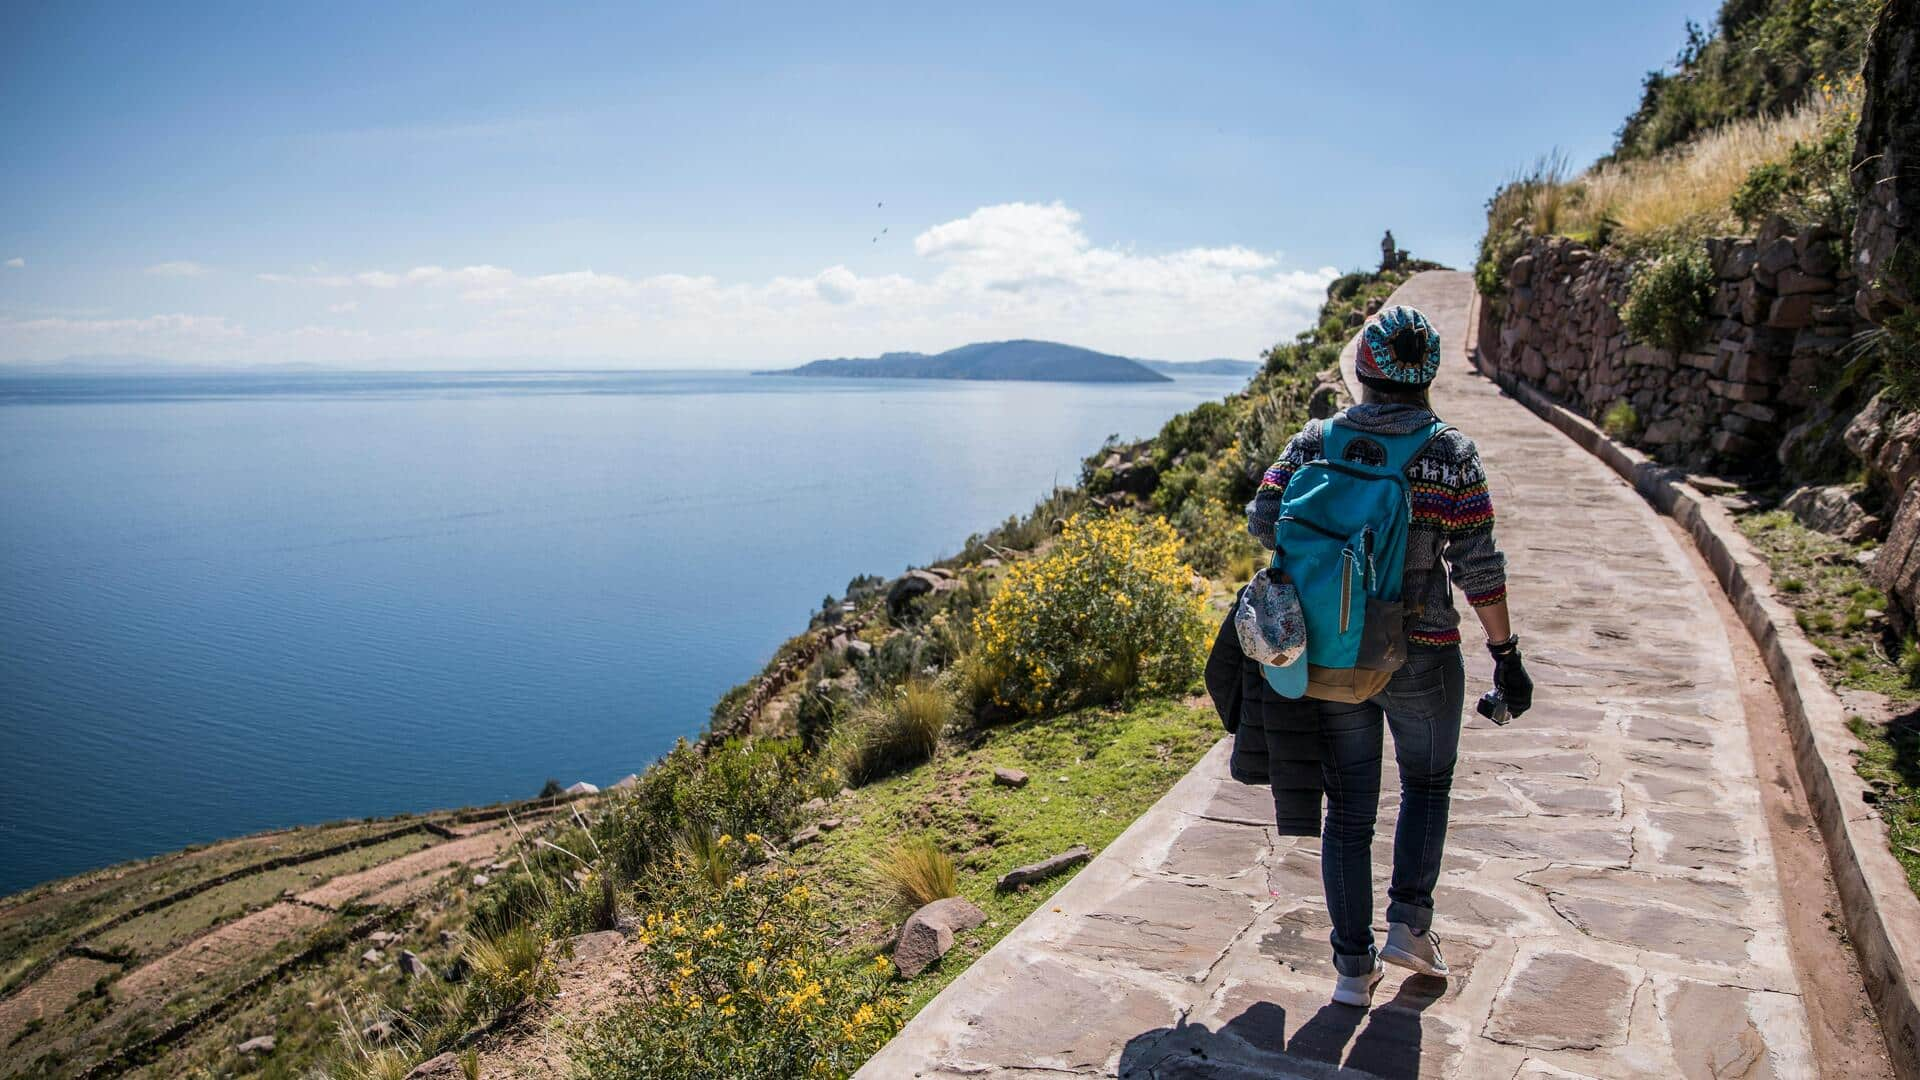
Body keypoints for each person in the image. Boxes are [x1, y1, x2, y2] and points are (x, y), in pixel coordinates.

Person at [1245, 304, 1533, 1007]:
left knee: (1348, 813)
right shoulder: (1450, 454)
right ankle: (1410, 925)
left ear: (1365, 370)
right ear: (1427, 374)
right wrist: (1506, 652)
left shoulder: (1314, 440)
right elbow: (1479, 567)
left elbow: (1262, 518)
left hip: (1329, 657)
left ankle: (1351, 969)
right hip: (1423, 653)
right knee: (1426, 786)